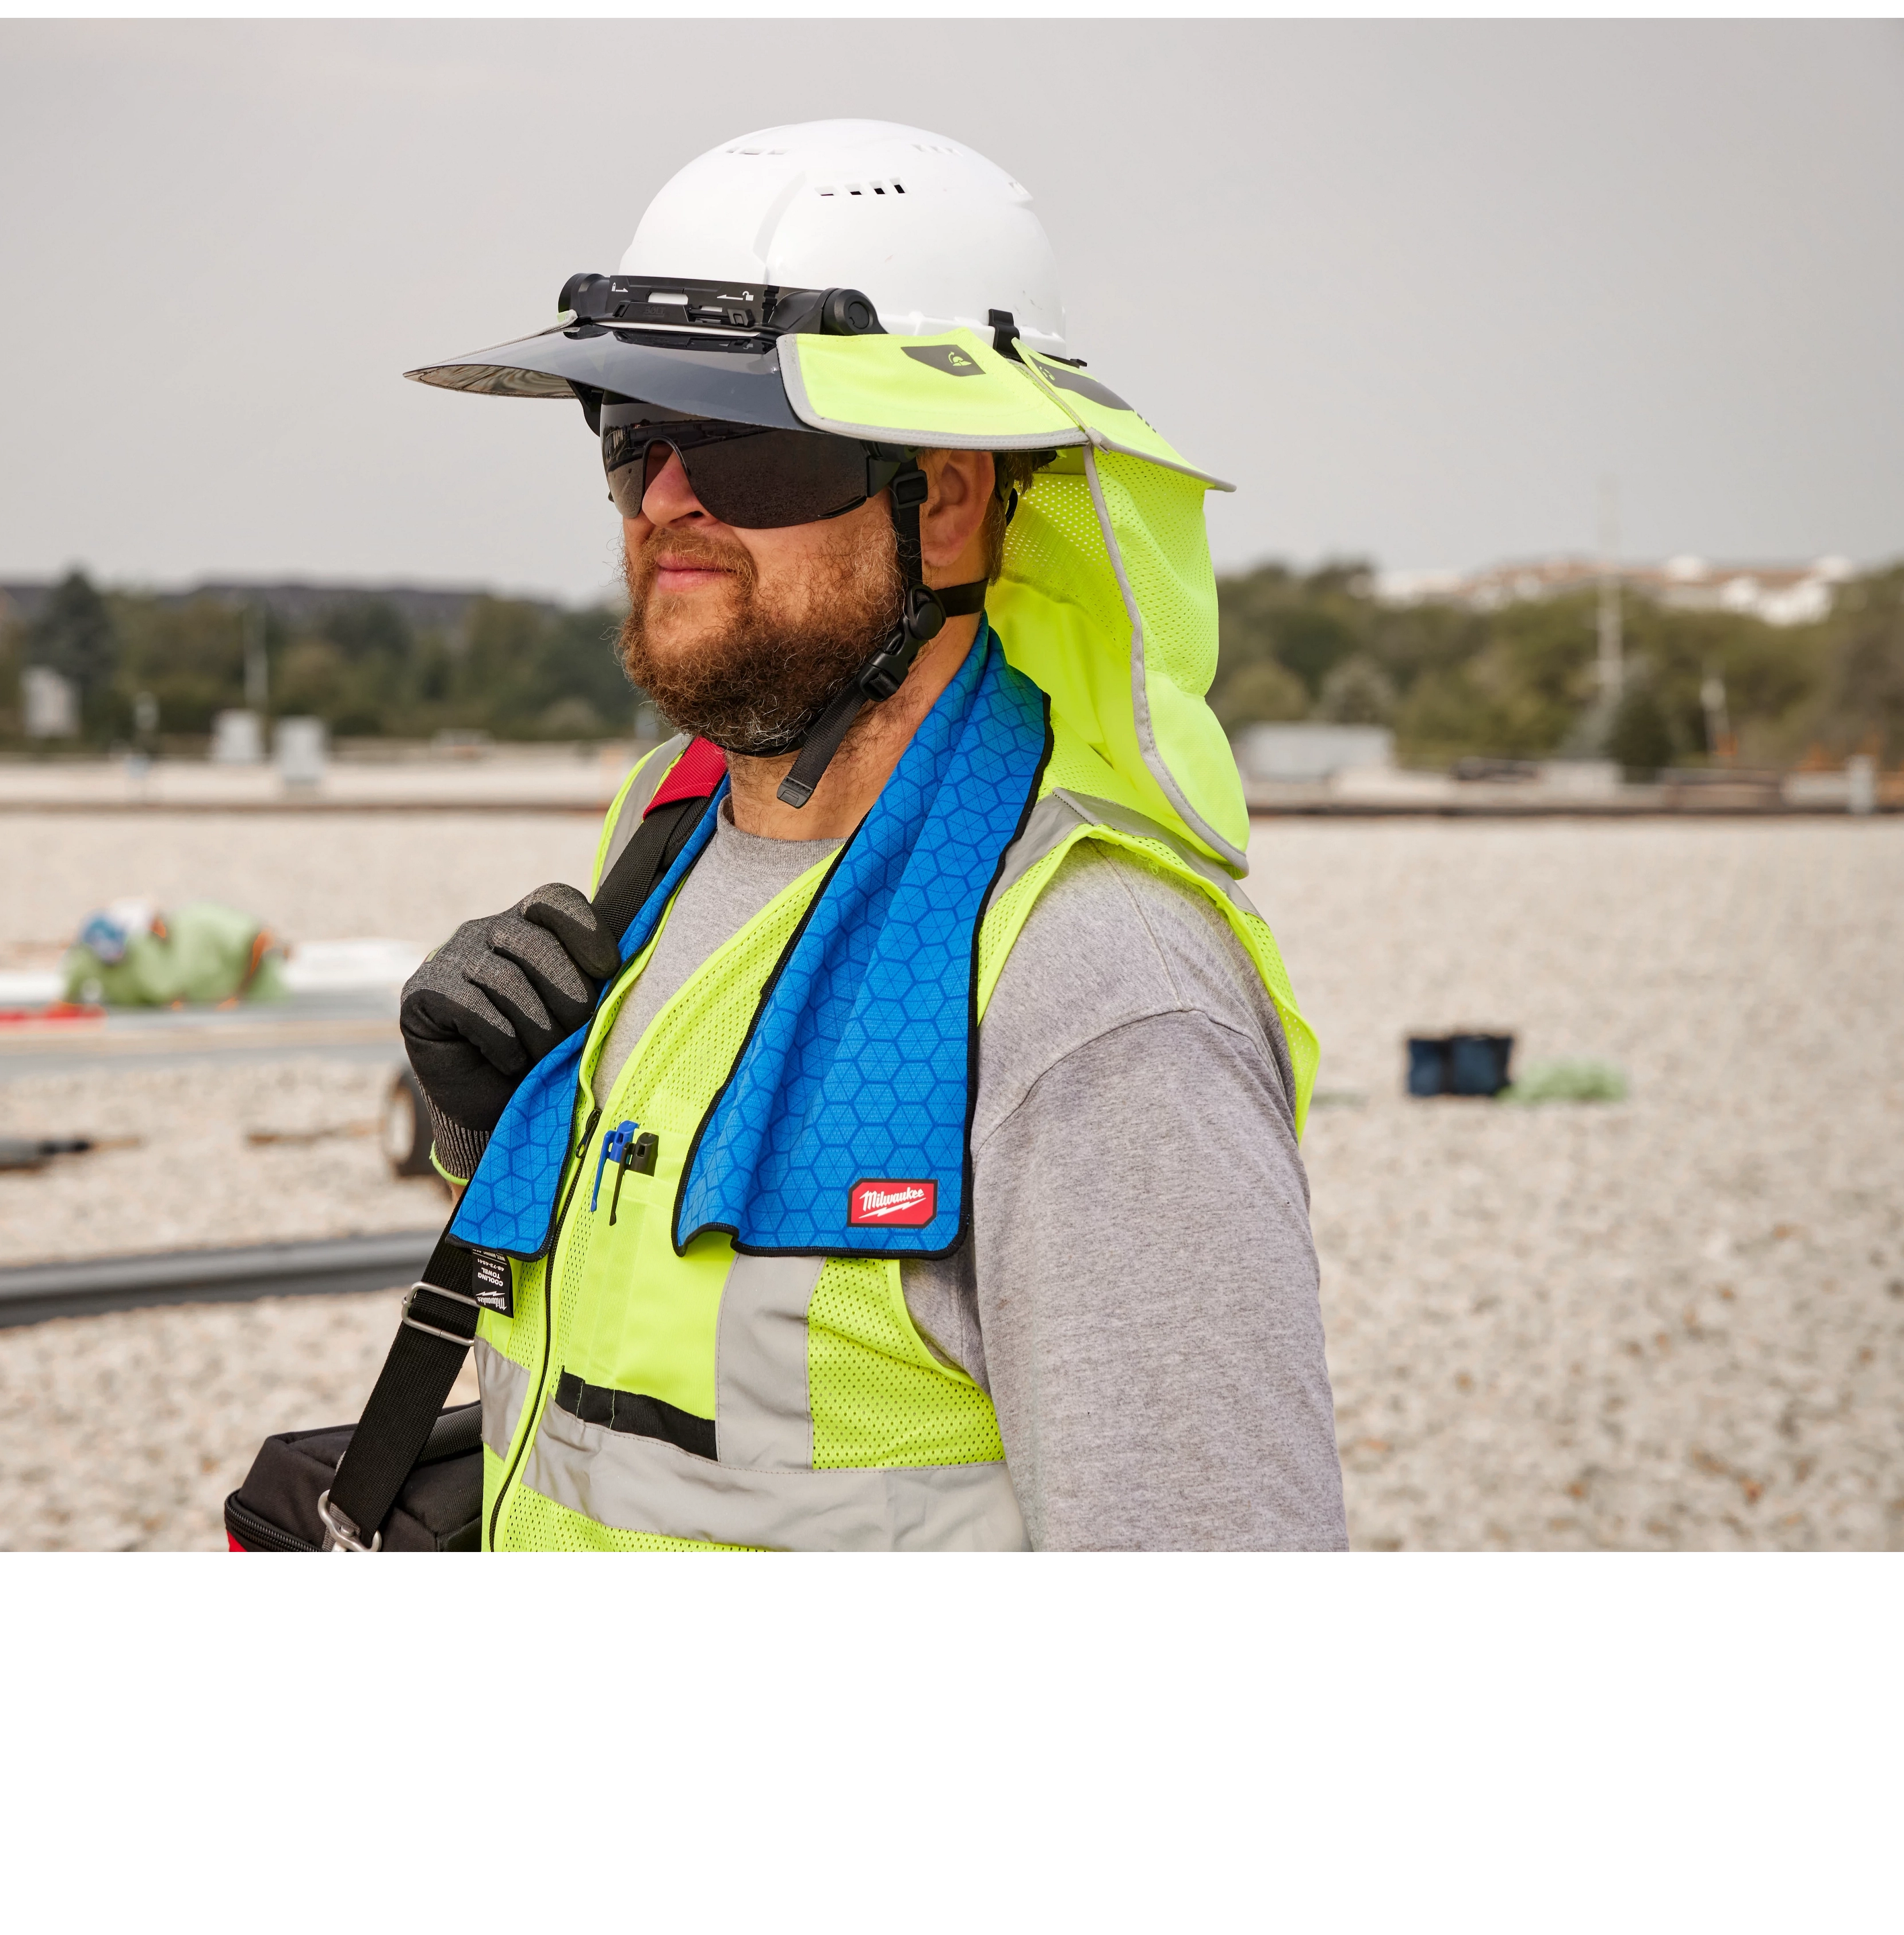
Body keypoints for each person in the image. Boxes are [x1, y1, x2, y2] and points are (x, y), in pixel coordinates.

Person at [397, 117, 1346, 1551]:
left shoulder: (1093, 982)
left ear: (948, 501)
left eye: (746, 448)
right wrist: (485, 1128)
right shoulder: (659, 838)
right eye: (633, 435)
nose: (666, 499)